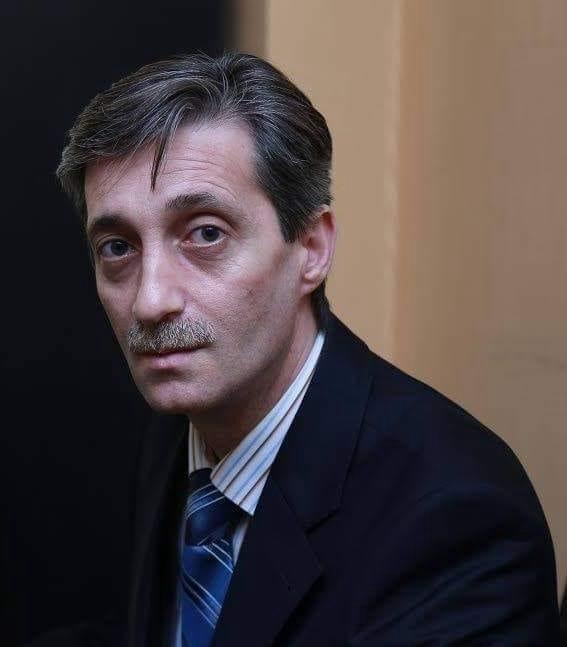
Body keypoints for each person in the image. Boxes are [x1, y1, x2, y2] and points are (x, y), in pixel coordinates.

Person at [50, 52, 559, 645]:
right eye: (117, 248)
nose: (149, 300)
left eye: (206, 233)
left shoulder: (457, 519)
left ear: (312, 249)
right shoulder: (178, 428)